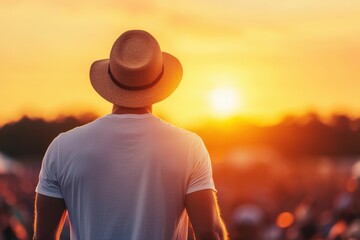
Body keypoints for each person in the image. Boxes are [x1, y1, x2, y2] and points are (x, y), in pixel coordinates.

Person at [33, 30, 228, 240]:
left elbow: (43, 235)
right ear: (159, 81)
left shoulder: (63, 147)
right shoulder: (189, 147)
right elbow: (209, 232)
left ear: (110, 78)